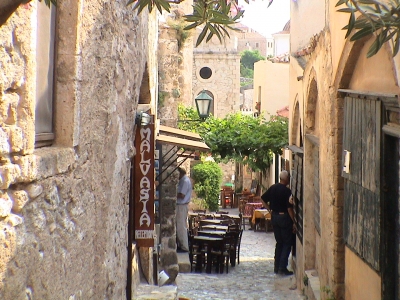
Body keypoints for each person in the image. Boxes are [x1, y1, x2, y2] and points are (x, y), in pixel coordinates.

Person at [261, 170, 295, 276]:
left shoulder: (273, 188)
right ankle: (282, 267)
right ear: (287, 179)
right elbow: (289, 209)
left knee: (279, 242)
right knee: (287, 243)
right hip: (284, 218)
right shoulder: (287, 191)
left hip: (274, 217)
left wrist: (269, 210)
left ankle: (276, 266)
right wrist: (294, 221)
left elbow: (262, 199)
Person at [176, 167, 192, 252]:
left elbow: (182, 195)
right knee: (179, 226)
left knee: (181, 226)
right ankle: (180, 244)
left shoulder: (185, 181)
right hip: (180, 206)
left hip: (181, 206)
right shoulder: (183, 180)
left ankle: (184, 247)